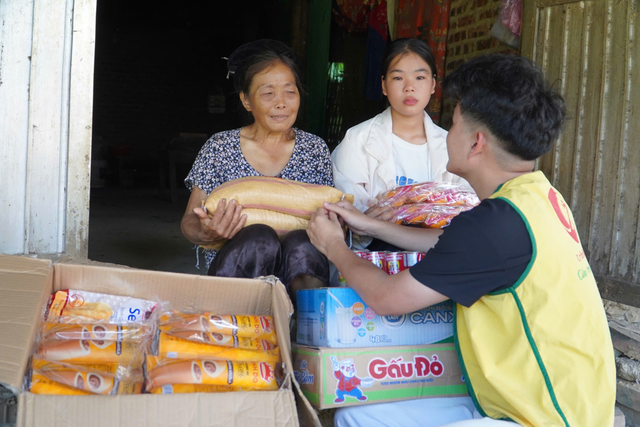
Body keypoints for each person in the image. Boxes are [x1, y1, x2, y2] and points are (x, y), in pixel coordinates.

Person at [307, 54, 615, 426]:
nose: (446, 134)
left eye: (452, 125)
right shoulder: (537, 196)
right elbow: (453, 248)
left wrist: (334, 246)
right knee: (363, 412)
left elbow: (387, 299)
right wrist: (373, 227)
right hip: (555, 403)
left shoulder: (492, 225)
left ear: (476, 143)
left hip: (545, 418)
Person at [181, 40, 332, 300]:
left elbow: (327, 220)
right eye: (268, 93)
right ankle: (236, 322)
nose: (281, 103)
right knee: (260, 237)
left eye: (290, 92)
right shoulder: (220, 147)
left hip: (298, 276)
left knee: (302, 241)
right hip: (234, 281)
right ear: (246, 101)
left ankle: (306, 327)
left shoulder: (314, 149)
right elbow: (189, 222)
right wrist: (205, 232)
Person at [331, 38, 465, 233]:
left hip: (436, 252)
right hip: (374, 253)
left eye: (420, 78)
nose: (409, 87)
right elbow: (347, 209)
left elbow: (465, 208)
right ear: (384, 86)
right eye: (398, 78)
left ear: (433, 85)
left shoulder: (452, 145)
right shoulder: (357, 140)